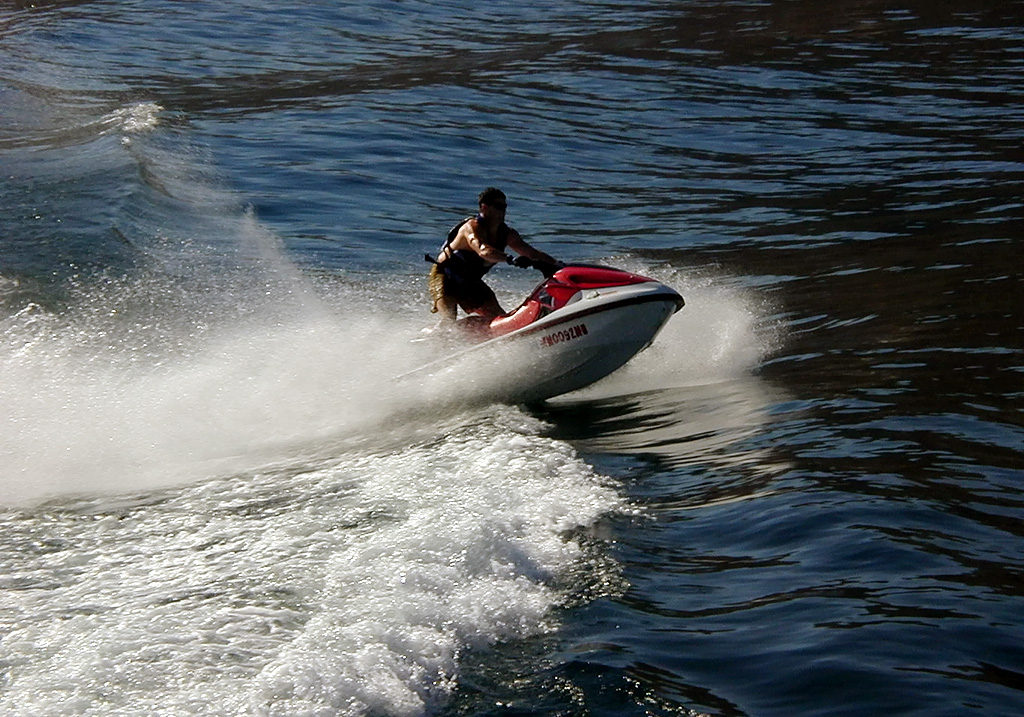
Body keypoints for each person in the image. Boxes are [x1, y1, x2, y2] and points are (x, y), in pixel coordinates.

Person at [428, 187, 557, 327]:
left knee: (499, 318)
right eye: (499, 206)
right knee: (449, 318)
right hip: (446, 276)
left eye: (505, 207)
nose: (503, 211)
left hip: (470, 282)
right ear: (484, 207)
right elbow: (483, 251)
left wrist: (558, 265)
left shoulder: (507, 234)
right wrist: (510, 259)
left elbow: (532, 253)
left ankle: (470, 333)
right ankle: (430, 341)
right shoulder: (471, 227)